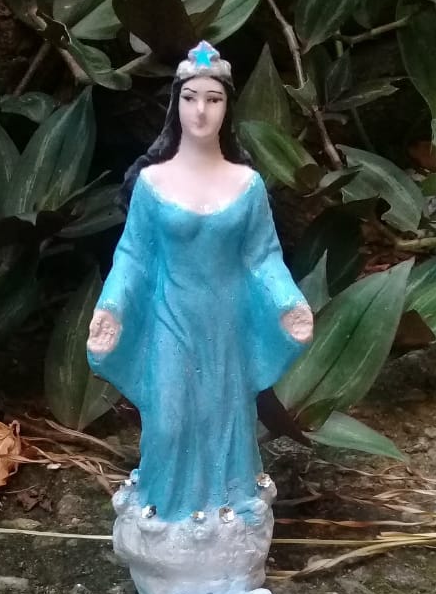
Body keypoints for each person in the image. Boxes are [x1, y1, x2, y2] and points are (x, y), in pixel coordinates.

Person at [87, 41, 313, 527]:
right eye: (190, 98)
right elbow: (133, 257)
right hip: (171, 320)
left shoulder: (247, 185)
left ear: (228, 107)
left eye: (214, 98)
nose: (201, 111)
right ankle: (164, 517)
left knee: (225, 421)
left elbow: (263, 257)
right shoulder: (152, 184)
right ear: (176, 105)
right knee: (168, 421)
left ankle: (225, 518)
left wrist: (287, 301)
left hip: (226, 326)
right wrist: (112, 306)